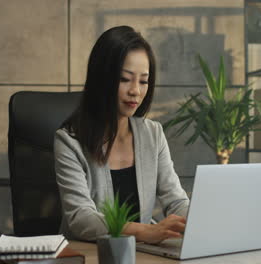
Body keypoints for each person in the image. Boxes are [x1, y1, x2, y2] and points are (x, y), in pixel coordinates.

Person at [54, 25, 189, 243]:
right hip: (89, 253)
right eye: (125, 79)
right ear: (102, 78)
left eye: (143, 81)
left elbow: (175, 201)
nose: (135, 90)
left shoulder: (153, 134)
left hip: (141, 253)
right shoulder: (69, 141)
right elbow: (81, 218)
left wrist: (199, 219)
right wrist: (144, 232)